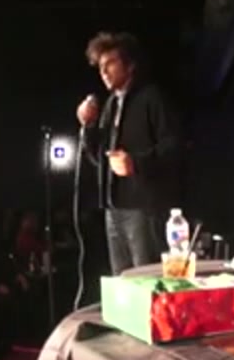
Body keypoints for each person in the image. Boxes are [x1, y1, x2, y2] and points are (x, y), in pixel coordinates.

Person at [76, 31, 182, 275]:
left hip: (143, 206)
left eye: (110, 63)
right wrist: (88, 126)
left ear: (130, 65)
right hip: (113, 207)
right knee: (122, 279)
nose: (104, 71)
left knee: (145, 277)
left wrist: (136, 163)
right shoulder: (110, 105)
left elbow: (173, 146)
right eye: (100, 66)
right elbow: (99, 159)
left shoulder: (151, 98)